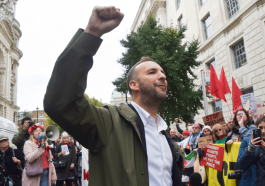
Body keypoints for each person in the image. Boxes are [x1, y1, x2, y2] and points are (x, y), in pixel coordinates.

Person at [44, 6, 185, 186]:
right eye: (152, 72)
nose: (162, 76)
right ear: (134, 85)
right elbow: (60, 101)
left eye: (162, 72)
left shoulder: (165, 134)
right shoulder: (108, 122)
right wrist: (92, 33)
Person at [237, 115, 265, 186]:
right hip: (248, 182)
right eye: (260, 128)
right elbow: (240, 165)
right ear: (256, 127)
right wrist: (250, 148)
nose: (263, 131)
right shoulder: (246, 141)